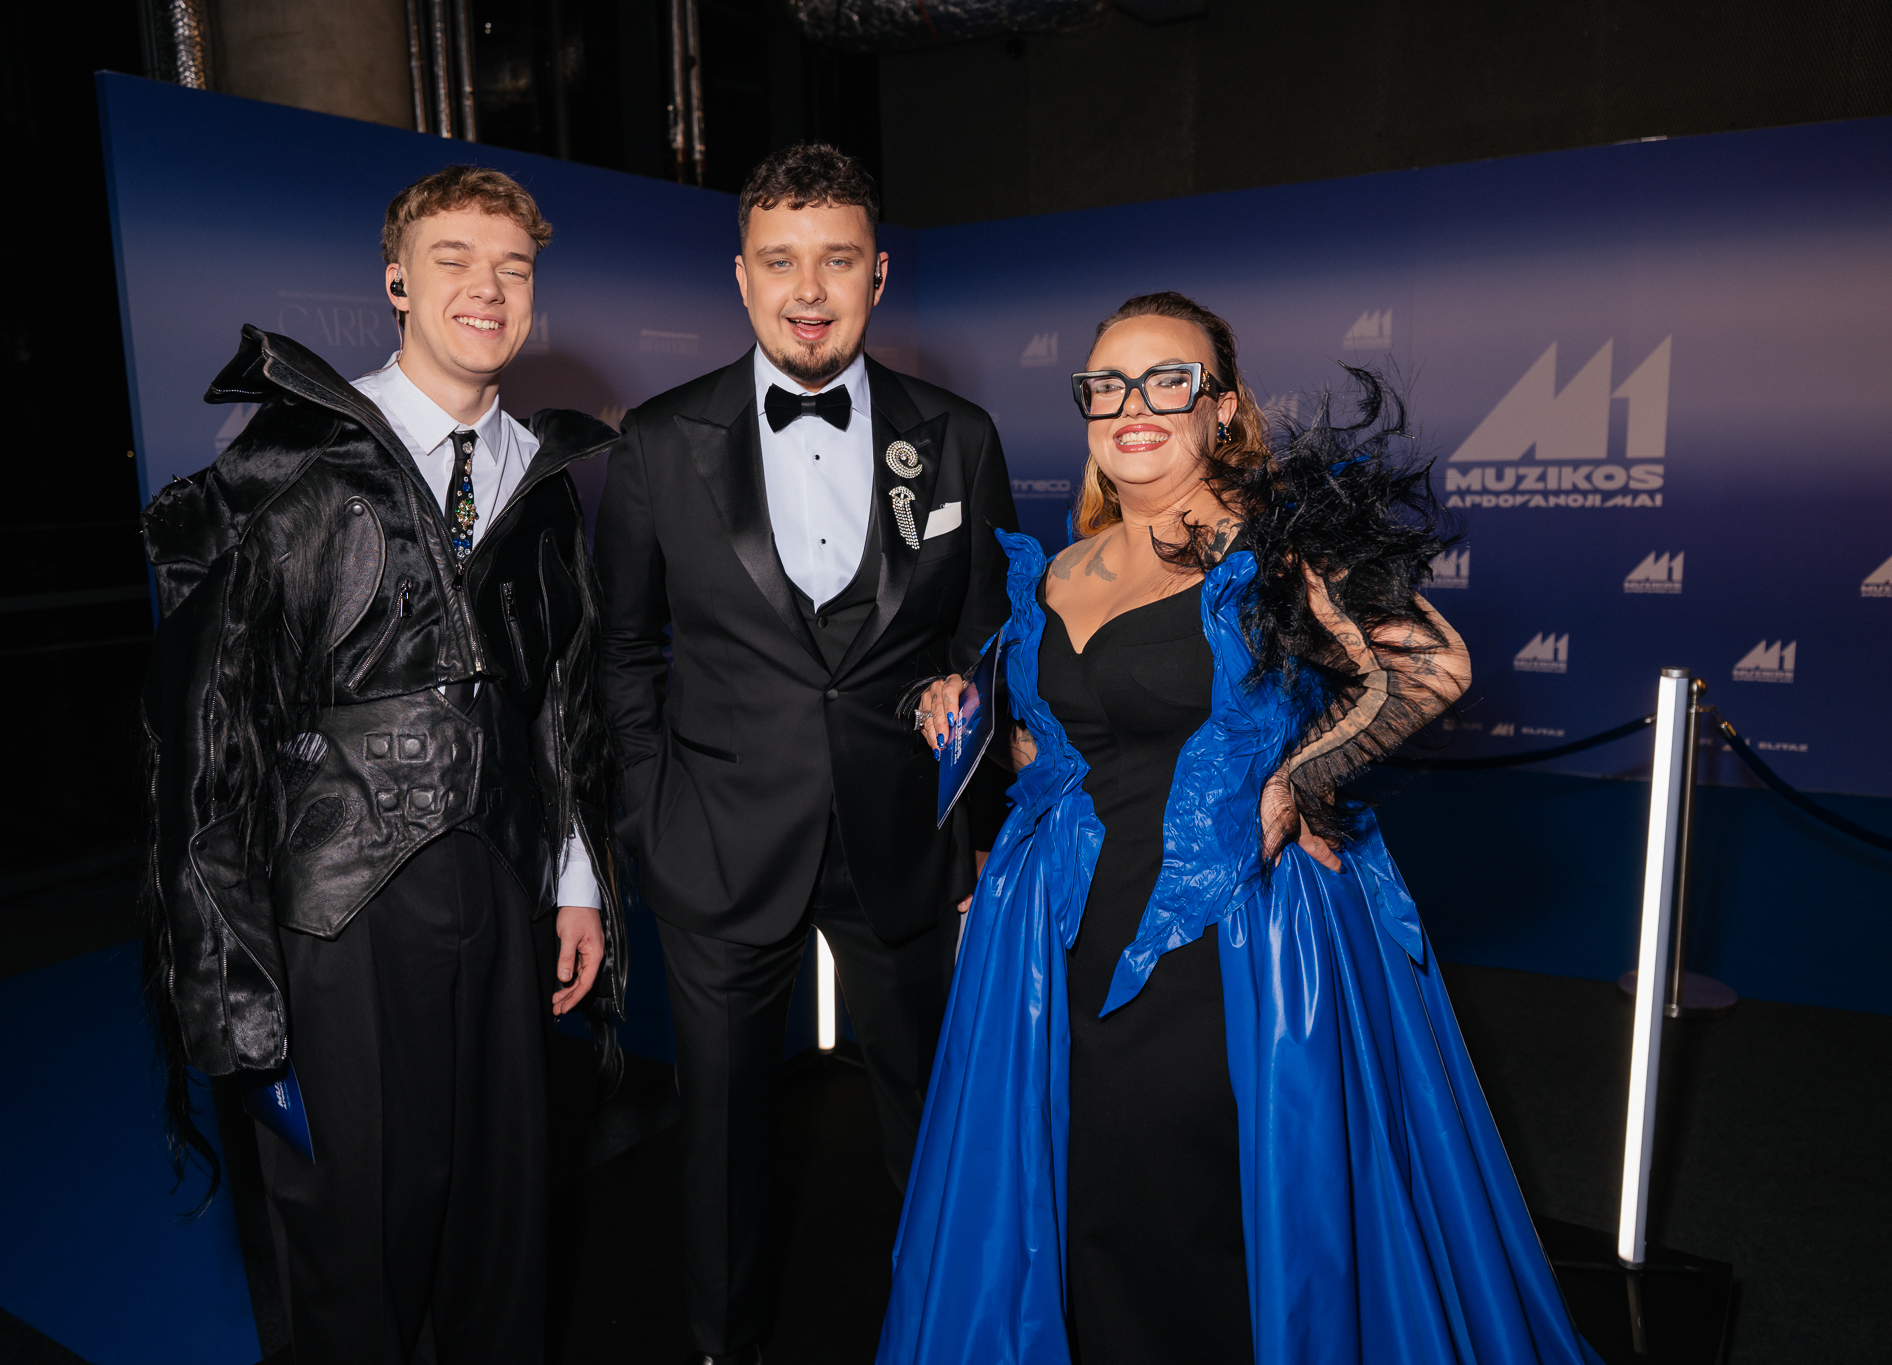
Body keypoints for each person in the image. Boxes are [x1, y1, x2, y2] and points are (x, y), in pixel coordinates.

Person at [877, 292, 1607, 1365]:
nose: (1132, 405)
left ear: (1220, 407)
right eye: (1106, 386)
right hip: (1056, 937)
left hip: (1229, 934)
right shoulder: (1064, 566)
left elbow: (1432, 667)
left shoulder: (1276, 545)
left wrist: (1299, 782)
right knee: (1084, 1194)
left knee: (1206, 1194)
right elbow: (1047, 746)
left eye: (1165, 381)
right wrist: (966, 717)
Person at [140, 165, 622, 1365]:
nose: (486, 289)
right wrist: (229, 984)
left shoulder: (543, 478)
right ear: (396, 282)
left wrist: (573, 882)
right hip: (331, 907)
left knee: (500, 1218)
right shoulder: (289, 462)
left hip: (500, 888)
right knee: (348, 1233)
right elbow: (203, 742)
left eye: (512, 267)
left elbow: (559, 700)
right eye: (453, 260)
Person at [596, 143, 1017, 1365]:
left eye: (836, 261)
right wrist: (652, 817)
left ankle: (949, 1333)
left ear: (877, 274)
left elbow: (988, 636)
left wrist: (973, 820)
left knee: (933, 1122)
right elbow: (621, 649)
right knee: (721, 1140)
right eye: (779, 262)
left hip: (905, 839)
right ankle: (721, 1345)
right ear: (740, 276)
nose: (808, 291)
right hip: (719, 843)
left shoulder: (958, 434)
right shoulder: (659, 439)